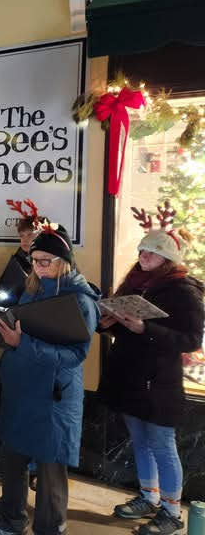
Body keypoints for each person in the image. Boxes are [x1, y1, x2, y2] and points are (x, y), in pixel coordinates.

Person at [0, 222, 100, 535]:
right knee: (12, 460)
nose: (38, 267)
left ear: (65, 262)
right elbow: (21, 328)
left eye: (45, 261)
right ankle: (10, 522)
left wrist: (24, 344)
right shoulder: (32, 290)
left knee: (49, 473)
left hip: (53, 397)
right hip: (20, 390)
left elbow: (76, 354)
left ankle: (50, 529)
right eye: (34, 260)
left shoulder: (81, 301)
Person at [99, 220, 203, 535]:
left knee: (161, 444)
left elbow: (191, 340)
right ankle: (149, 497)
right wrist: (107, 322)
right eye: (142, 249)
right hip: (129, 376)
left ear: (167, 258)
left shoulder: (184, 289)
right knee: (140, 441)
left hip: (158, 381)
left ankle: (172, 511)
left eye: (152, 252)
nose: (144, 256)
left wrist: (147, 329)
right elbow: (122, 324)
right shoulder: (134, 282)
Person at [0, 200, 44, 304]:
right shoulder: (17, 260)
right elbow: (1, 290)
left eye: (30, 235)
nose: (24, 240)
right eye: (22, 236)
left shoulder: (49, 264)